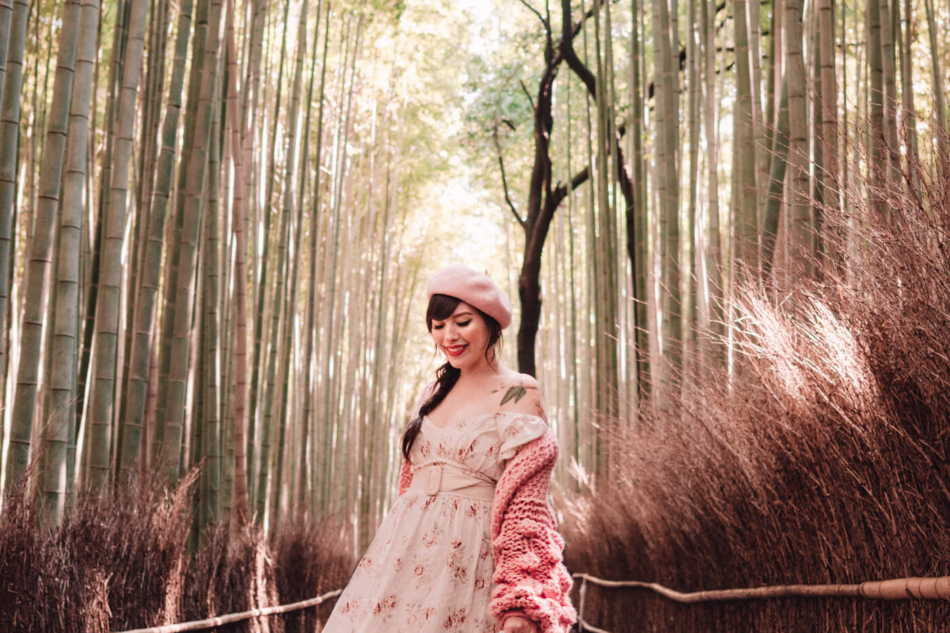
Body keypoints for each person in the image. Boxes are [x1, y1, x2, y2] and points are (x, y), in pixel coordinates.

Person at [322, 264, 576, 633]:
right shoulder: (431, 394)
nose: (449, 336)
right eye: (438, 326)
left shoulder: (519, 391)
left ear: (490, 322)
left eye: (462, 322)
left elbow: (528, 506)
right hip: (404, 556)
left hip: (472, 559)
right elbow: (410, 489)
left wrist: (522, 594)